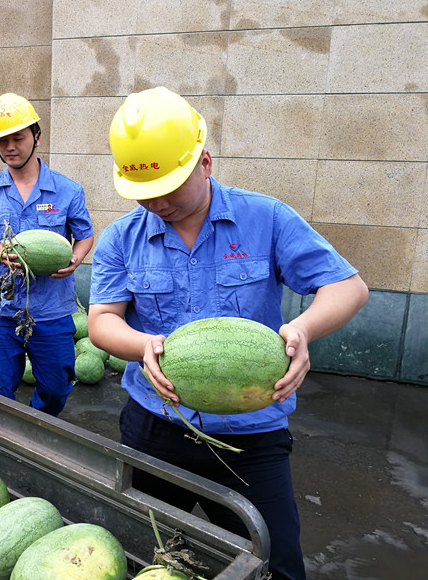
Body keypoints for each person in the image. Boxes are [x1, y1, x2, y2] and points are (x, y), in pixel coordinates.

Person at [88, 87, 369, 580]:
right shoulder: (121, 237)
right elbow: (101, 322)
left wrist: (301, 330)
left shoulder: (267, 218)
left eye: (170, 187)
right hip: (154, 429)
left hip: (251, 437)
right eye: (145, 194)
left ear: (205, 162)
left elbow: (349, 287)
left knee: (277, 568)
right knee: (137, 559)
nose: (158, 202)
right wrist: (142, 346)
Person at [0, 93, 95, 416]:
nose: (9, 147)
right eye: (1, 140)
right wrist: (0, 250)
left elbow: (85, 235)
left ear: (37, 136)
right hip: (2, 308)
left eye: (17, 138)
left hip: (51, 308)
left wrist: (76, 259)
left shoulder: (68, 190)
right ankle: (6, 439)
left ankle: (38, 423)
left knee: (55, 386)